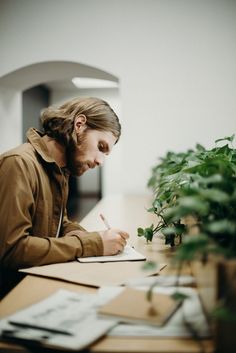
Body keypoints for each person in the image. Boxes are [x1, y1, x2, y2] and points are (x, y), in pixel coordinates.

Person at [0, 96, 129, 296]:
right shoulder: (18, 164)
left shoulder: (60, 169)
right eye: (101, 147)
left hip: (38, 280)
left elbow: (59, 222)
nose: (100, 161)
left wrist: (79, 233)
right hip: (12, 293)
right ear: (79, 125)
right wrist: (93, 244)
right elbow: (13, 250)